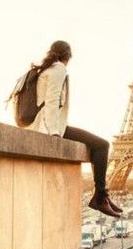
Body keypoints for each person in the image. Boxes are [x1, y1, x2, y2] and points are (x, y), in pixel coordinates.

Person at [25, 40, 123, 218]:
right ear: (68, 56)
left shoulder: (45, 70)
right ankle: (101, 197)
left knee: (98, 145)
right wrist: (54, 133)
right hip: (49, 127)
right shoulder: (58, 69)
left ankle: (102, 196)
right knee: (102, 145)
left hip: (45, 124)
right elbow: (52, 101)